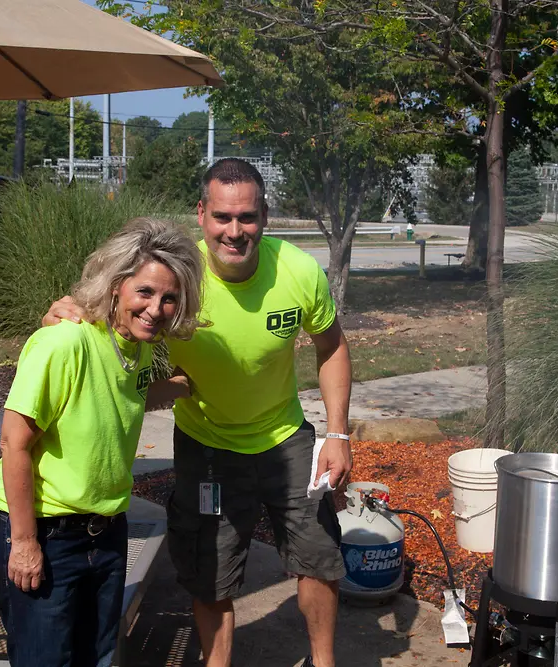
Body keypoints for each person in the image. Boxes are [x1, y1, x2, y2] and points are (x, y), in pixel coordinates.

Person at [44, 158, 353, 667]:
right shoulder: (178, 271)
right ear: (202, 214)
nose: (235, 232)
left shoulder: (297, 271)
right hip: (206, 445)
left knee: (318, 558)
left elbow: (332, 346)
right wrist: (59, 312)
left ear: (265, 216)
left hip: (285, 438)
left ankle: (324, 663)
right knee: (209, 568)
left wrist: (338, 433)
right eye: (223, 218)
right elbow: (107, 308)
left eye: (247, 218)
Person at [0, 217, 204, 667]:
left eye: (169, 298)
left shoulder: (137, 347)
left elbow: (129, 394)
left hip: (106, 531)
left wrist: (187, 385)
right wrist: (25, 544)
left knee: (99, 657)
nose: (156, 308)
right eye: (144, 292)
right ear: (115, 287)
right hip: (48, 533)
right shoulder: (65, 342)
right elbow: (14, 444)